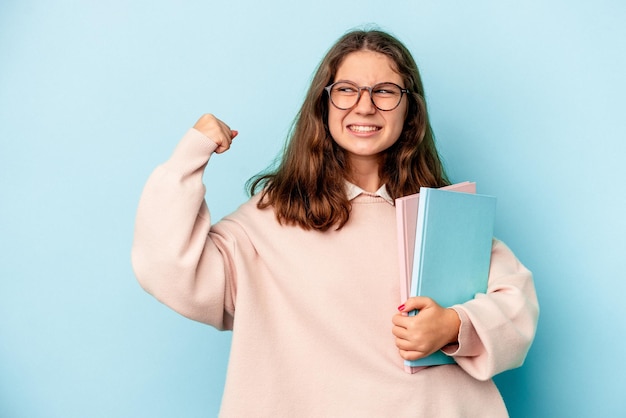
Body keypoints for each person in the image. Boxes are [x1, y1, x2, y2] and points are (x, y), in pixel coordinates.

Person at [132, 29, 539, 417]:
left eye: (385, 92)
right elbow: (166, 266)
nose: (365, 106)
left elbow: (515, 306)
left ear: (409, 109)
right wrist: (191, 154)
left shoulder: (442, 213)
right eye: (346, 90)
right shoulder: (272, 217)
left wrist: (453, 325)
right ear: (323, 103)